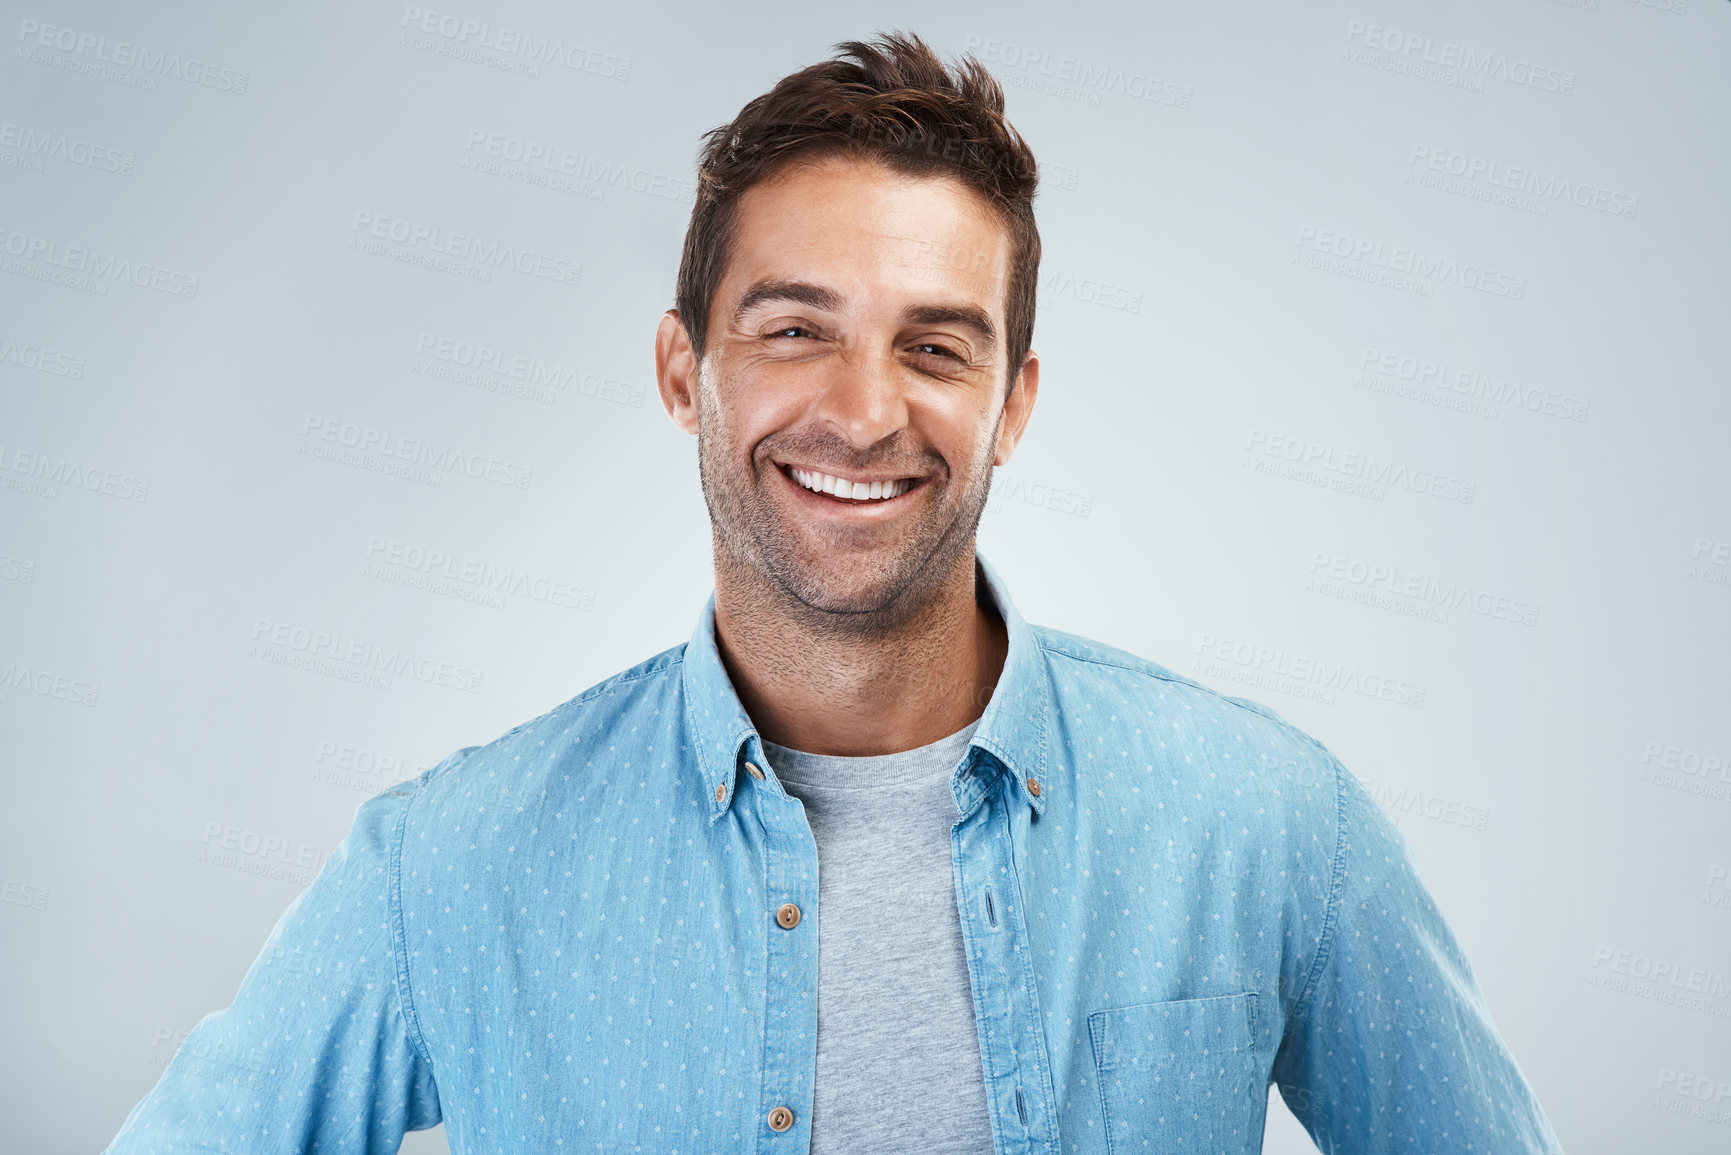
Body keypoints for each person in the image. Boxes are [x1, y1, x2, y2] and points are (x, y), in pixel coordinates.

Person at [106, 31, 1564, 1155]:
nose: (864, 413)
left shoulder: (1270, 823)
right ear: (686, 373)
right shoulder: (447, 868)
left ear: (1014, 404)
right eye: (798, 328)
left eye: (937, 348)